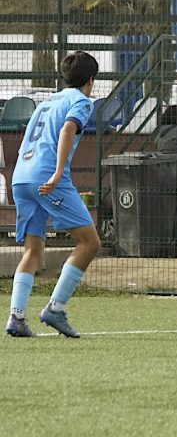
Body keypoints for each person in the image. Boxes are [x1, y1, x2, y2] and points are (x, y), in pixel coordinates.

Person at [5, 51, 101, 338]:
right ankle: (55, 309)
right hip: (47, 178)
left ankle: (16, 318)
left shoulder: (45, 102)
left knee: (33, 250)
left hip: (21, 177)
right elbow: (68, 129)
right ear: (91, 80)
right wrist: (59, 173)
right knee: (89, 242)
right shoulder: (81, 101)